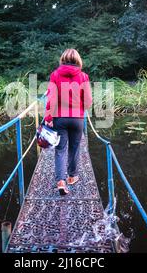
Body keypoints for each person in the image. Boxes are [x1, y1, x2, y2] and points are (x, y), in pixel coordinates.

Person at [44, 49, 92, 195]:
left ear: (62, 59)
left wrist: (48, 117)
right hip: (77, 119)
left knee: (60, 149)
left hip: (60, 118)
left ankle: (60, 181)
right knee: (74, 147)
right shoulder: (84, 77)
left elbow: (51, 99)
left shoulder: (55, 75)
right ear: (78, 60)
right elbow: (88, 102)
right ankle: (72, 177)